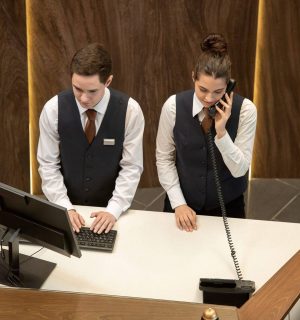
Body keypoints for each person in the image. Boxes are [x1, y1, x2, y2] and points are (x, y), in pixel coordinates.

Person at [38, 43, 144, 234]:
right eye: (77, 88)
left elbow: (131, 166)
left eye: (92, 91)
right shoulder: (53, 109)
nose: (84, 98)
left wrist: (113, 209)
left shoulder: (130, 111)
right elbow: (47, 164)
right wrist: (64, 206)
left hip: (111, 211)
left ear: (108, 81)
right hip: (64, 207)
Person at [156, 33, 257, 232]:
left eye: (218, 92)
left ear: (228, 85)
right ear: (193, 76)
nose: (209, 98)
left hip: (228, 207)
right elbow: (164, 158)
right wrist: (178, 203)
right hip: (181, 203)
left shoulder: (246, 110)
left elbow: (240, 169)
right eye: (202, 89)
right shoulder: (173, 107)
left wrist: (221, 132)